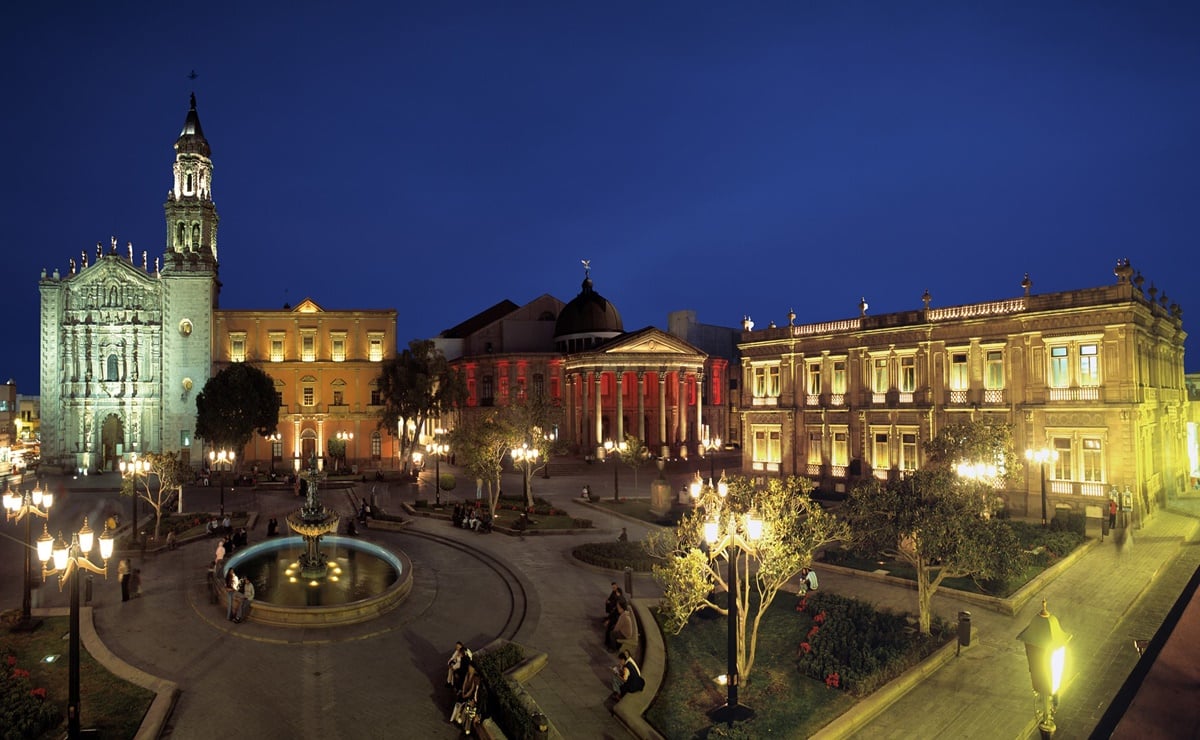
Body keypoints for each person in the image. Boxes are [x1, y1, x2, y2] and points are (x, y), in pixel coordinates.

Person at [451, 663, 481, 727]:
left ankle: (461, 720)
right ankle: (455, 716)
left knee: (466, 705)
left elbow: (472, 689)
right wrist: (463, 691)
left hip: (470, 695)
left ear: (474, 669)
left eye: (470, 668)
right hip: (465, 692)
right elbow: (464, 683)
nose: (469, 669)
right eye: (469, 667)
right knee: (459, 700)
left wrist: (466, 695)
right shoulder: (467, 674)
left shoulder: (475, 678)